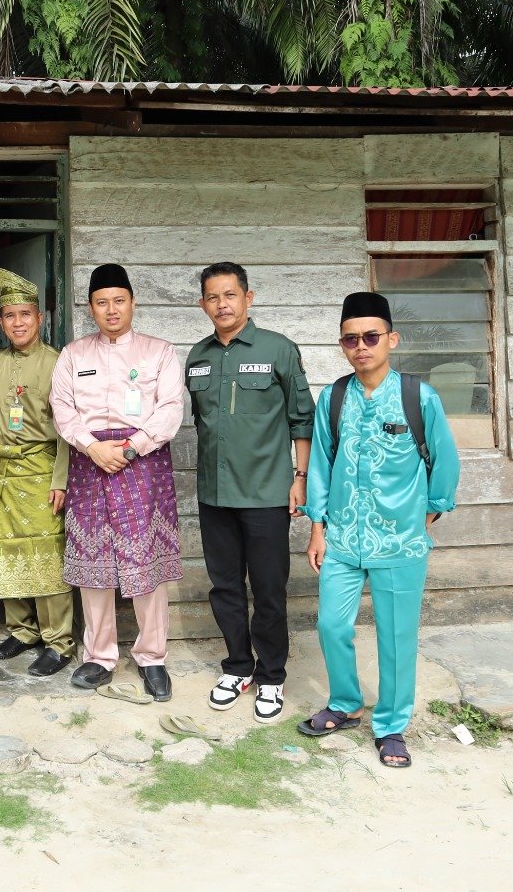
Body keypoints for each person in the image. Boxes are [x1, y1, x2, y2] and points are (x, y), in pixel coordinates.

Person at [300, 291, 459, 769]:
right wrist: (317, 527)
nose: (361, 346)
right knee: (331, 624)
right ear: (342, 345)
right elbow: (321, 465)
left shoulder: (418, 397)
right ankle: (346, 703)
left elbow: (445, 462)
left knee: (395, 636)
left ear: (392, 339)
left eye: (371, 337)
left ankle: (391, 726)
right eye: (351, 339)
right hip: (343, 538)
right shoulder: (333, 398)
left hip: (400, 542)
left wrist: (429, 513)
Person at [51, 263, 185, 701]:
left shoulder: (159, 351)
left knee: (146, 559)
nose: (111, 310)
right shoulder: (74, 355)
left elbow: (170, 408)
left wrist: (130, 448)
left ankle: (152, 656)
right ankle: (99, 656)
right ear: (90, 308)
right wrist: (92, 447)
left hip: (142, 462)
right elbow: (62, 408)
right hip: (88, 461)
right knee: (93, 560)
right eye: (102, 302)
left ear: (132, 303)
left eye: (119, 301)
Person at [187, 262, 314, 721]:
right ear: (203, 304)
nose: (222, 304)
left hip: (266, 494)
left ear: (248, 298)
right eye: (213, 297)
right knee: (224, 587)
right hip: (215, 494)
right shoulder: (197, 356)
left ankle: (272, 675)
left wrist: (300, 478)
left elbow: (302, 418)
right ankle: (238, 666)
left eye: (230, 295)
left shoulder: (278, 349)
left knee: (268, 589)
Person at [0, 268, 74, 678]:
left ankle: (58, 641)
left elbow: (68, 429)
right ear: (1, 321)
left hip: (40, 469)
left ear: (39, 318)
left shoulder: (57, 362)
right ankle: (22, 631)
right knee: (6, 550)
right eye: (9, 316)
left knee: (46, 556)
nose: (17, 323)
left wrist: (61, 480)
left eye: (25, 315)